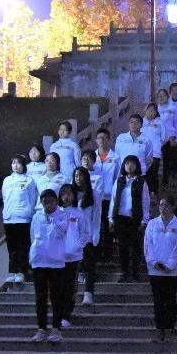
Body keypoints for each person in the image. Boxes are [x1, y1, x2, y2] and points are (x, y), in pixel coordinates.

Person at [144, 196, 177, 342]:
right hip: (155, 269)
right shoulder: (152, 224)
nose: (163, 208)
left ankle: (171, 326)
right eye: (161, 205)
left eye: (166, 205)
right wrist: (153, 262)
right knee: (158, 300)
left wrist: (170, 265)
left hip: (171, 271)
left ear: (173, 207)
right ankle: (159, 328)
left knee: (170, 299)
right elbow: (148, 244)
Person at [29, 189, 68, 343]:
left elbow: (62, 232)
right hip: (39, 261)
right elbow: (33, 236)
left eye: (50, 201)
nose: (47, 205)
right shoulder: (37, 216)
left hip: (56, 262)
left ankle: (56, 329)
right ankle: (41, 329)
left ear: (56, 201)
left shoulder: (62, 215)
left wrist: (52, 218)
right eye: (44, 202)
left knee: (56, 296)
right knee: (40, 297)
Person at [108, 154, 151, 282]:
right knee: (123, 247)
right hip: (121, 218)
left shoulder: (141, 182)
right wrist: (111, 218)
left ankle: (135, 273)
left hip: (135, 218)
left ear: (137, 166)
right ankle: (125, 273)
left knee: (136, 247)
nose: (129, 166)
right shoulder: (119, 181)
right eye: (127, 163)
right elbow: (113, 200)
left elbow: (145, 201)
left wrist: (145, 219)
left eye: (132, 163)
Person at [2, 155, 37, 285]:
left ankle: (22, 271)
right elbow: (5, 198)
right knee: (11, 247)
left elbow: (32, 199)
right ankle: (12, 271)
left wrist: (28, 213)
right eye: (13, 163)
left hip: (23, 219)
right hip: (9, 218)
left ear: (23, 165)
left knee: (22, 247)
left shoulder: (29, 181)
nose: (15, 166)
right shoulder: (7, 180)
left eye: (18, 163)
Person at [58, 182, 87, 329]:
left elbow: (85, 233)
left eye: (69, 193)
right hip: (57, 257)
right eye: (63, 193)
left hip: (73, 257)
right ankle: (58, 313)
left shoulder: (78, 213)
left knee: (70, 286)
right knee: (58, 286)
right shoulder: (55, 213)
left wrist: (77, 246)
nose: (66, 196)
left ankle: (66, 315)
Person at [71, 166, 100, 306]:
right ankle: (72, 294)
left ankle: (88, 293)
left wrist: (95, 233)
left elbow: (97, 215)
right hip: (72, 235)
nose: (78, 178)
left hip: (87, 234)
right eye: (76, 175)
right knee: (72, 267)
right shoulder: (69, 193)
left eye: (80, 175)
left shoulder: (93, 194)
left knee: (89, 265)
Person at [92, 129, 120, 259]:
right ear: (96, 140)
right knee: (95, 225)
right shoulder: (92, 157)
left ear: (108, 139)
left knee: (108, 224)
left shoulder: (115, 158)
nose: (101, 140)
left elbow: (117, 178)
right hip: (94, 197)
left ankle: (108, 253)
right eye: (99, 138)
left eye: (104, 138)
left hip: (109, 197)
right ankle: (96, 252)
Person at [115, 114, 154, 178]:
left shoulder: (146, 140)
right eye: (131, 122)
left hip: (140, 175)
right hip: (123, 174)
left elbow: (149, 159)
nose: (133, 124)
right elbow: (117, 156)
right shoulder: (121, 138)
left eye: (137, 122)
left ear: (141, 125)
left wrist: (142, 170)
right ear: (129, 124)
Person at [141, 103, 167, 195]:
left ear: (156, 112)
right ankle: (145, 192)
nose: (151, 112)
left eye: (153, 110)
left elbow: (164, 137)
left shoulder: (160, 122)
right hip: (143, 152)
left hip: (155, 152)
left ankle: (153, 191)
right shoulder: (141, 122)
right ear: (145, 110)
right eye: (149, 110)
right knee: (144, 172)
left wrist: (158, 145)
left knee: (153, 172)